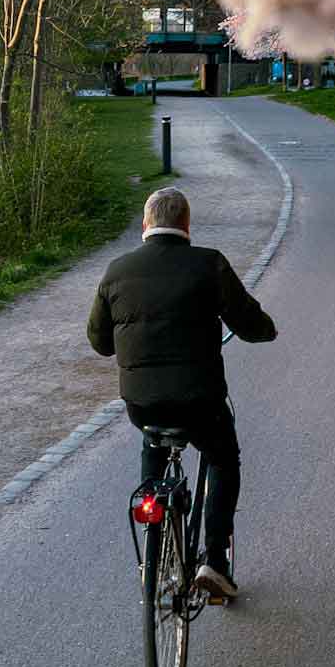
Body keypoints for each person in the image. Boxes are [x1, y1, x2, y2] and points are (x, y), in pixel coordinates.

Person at [87, 186, 278, 599]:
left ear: (146, 224)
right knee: (223, 457)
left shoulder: (116, 271)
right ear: (187, 225)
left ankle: (152, 550)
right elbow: (247, 322)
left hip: (141, 403)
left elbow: (100, 343)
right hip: (201, 402)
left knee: (153, 442)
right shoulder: (208, 264)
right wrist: (268, 330)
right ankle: (214, 562)